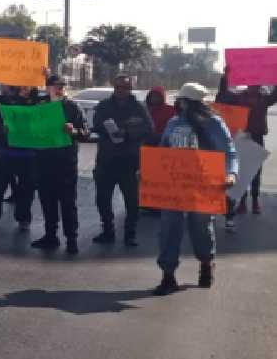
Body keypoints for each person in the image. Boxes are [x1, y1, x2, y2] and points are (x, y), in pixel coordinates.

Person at [153, 83, 238, 296]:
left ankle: (207, 264)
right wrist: (149, 171)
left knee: (201, 228)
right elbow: (163, 150)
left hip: (203, 186)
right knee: (169, 229)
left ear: (190, 103)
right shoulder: (173, 123)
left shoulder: (214, 124)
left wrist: (231, 174)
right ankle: (168, 275)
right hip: (174, 187)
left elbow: (229, 152)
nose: (179, 104)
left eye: (182, 101)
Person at [91, 74, 154, 246]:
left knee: (132, 202)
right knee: (103, 199)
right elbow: (95, 125)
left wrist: (127, 131)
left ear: (130, 89)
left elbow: (149, 129)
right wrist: (110, 128)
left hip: (130, 161)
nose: (121, 91)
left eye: (125, 88)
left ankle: (130, 233)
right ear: (114, 87)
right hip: (107, 160)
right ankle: (108, 230)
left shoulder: (138, 107)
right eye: (118, 87)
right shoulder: (104, 106)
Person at [0, 68, 41, 230]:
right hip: (5, 152)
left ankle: (23, 218)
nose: (25, 88)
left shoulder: (34, 102)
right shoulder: (3, 100)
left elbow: (51, 99)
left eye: (28, 86)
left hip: (27, 153)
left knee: (26, 189)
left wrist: (43, 76)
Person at [31, 75, 89, 254]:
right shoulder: (40, 105)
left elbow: (86, 133)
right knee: (47, 201)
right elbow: (28, 125)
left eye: (62, 85)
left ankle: (72, 239)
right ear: (47, 87)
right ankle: (50, 236)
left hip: (66, 163)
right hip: (44, 161)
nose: (60, 88)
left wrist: (74, 130)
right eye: (56, 85)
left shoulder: (72, 107)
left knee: (67, 202)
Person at [216, 67, 277, 214]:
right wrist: (225, 76)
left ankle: (255, 201)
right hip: (243, 136)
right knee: (242, 171)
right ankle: (242, 202)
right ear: (247, 84)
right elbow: (223, 94)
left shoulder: (264, 98)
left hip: (257, 136)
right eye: (251, 83)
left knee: (256, 170)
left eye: (256, 83)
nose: (253, 86)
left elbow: (275, 95)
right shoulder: (239, 97)